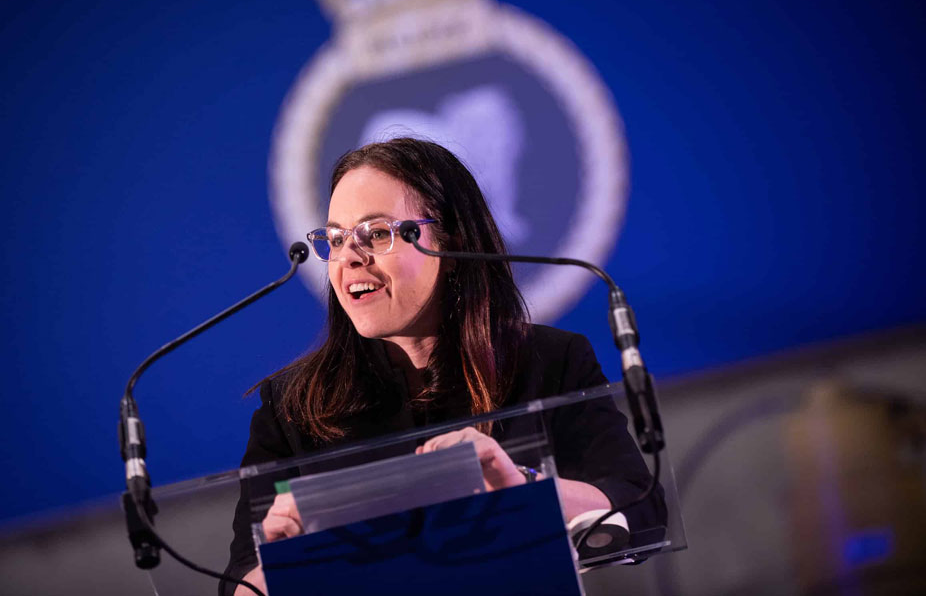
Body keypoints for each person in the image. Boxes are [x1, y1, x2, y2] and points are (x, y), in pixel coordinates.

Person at [222, 138, 664, 595]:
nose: (349, 256)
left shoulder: (550, 361)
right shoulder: (292, 406)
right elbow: (239, 577)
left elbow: (642, 512)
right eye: (335, 239)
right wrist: (285, 567)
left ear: (450, 246)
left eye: (376, 233)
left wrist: (524, 492)